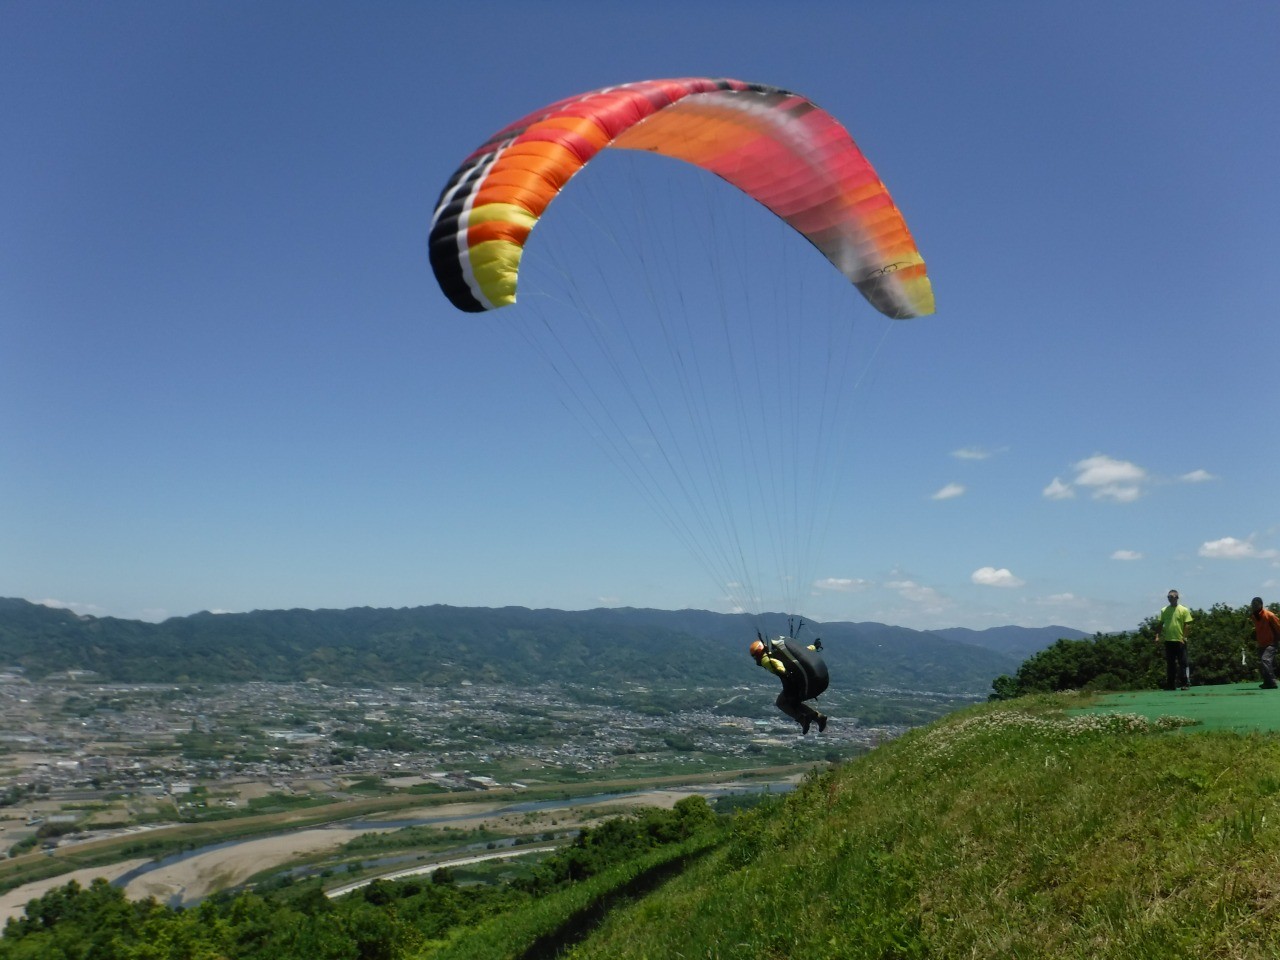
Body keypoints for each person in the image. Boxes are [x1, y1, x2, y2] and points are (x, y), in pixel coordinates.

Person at [749, 635, 829, 734]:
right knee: (792, 701)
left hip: (797, 683)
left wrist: (783, 672)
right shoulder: (779, 651)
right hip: (814, 681)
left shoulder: (765, 660)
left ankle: (803, 719)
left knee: (781, 702)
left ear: (757, 654)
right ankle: (818, 718)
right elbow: (802, 653)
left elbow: (778, 666)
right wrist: (814, 647)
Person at [1154, 589, 1193, 690]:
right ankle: (1171, 684)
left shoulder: (1184, 610)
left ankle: (1185, 683)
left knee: (1183, 662)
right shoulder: (1164, 610)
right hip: (1169, 640)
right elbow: (1160, 624)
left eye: (1171, 597)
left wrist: (1184, 637)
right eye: (1168, 597)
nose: (1170, 599)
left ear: (1177, 598)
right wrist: (1157, 636)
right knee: (1170, 663)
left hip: (1180, 640)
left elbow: (1187, 625)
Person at [1250, 597, 1280, 689]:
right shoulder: (1253, 616)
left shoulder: (1269, 615)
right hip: (1262, 643)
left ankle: (1272, 682)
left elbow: (1278, 627)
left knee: (1265, 660)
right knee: (1263, 664)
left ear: (1261, 605)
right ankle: (1267, 682)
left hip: (1271, 642)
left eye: (1256, 604)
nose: (1254, 606)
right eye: (1253, 604)